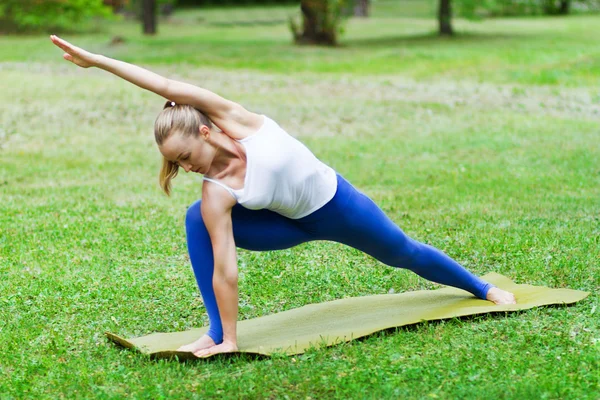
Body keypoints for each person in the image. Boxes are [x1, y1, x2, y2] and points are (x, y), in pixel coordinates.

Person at [50, 35, 517, 358]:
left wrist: (100, 62)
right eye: (178, 163)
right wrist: (231, 335)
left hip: (335, 205)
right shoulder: (215, 193)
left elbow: (167, 87)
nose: (187, 166)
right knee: (197, 217)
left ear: (208, 131)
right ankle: (217, 334)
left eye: (187, 154)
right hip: (285, 225)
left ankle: (481, 288)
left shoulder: (238, 119)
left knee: (402, 252)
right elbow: (226, 269)